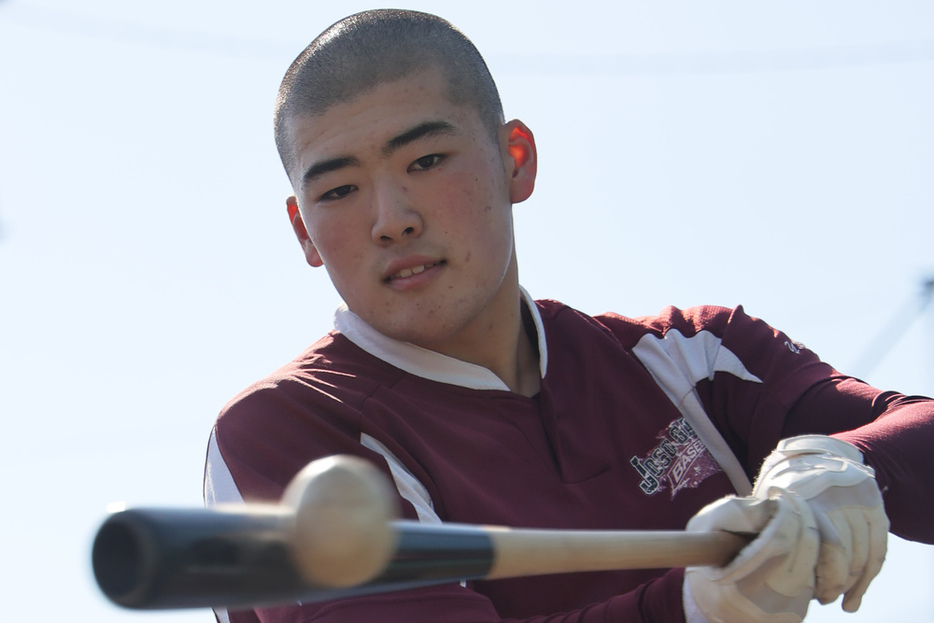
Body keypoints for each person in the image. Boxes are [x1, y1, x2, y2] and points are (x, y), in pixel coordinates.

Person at [203, 9, 934, 623]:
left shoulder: (692, 354)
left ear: (514, 158)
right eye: (339, 192)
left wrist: (855, 470)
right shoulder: (284, 429)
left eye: (425, 160)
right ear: (302, 230)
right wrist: (695, 606)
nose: (390, 220)